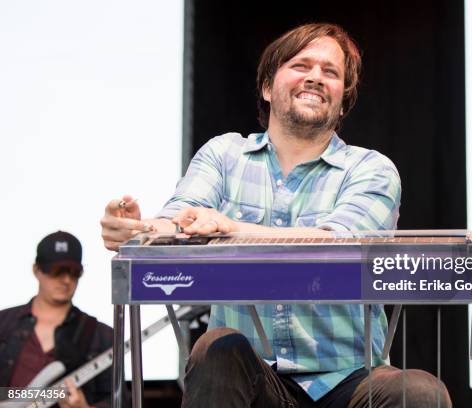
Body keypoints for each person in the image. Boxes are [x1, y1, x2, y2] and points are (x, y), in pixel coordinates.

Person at [100, 23, 451, 408]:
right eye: (302, 66)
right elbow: (181, 216)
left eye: (330, 72)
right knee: (217, 347)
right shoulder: (224, 155)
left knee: (420, 393)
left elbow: (342, 243)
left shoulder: (370, 169)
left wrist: (233, 229)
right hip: (253, 380)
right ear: (268, 87)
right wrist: (140, 230)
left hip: (350, 380)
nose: (316, 77)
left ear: (341, 100)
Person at [0, 231, 115, 408]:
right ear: (36, 270)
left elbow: (120, 400)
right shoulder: (4, 323)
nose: (66, 280)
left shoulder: (102, 335)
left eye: (74, 272)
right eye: (57, 271)